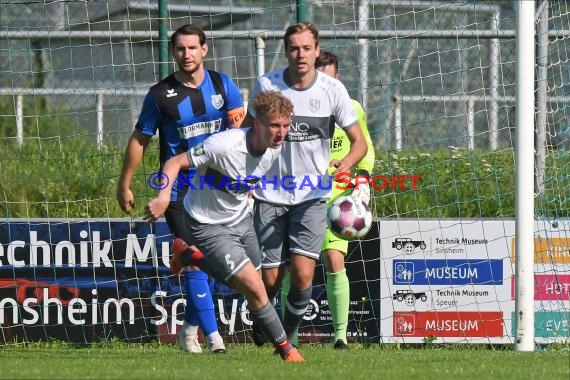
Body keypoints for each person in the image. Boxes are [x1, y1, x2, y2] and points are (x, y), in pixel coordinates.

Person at [143, 91, 304, 362]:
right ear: (258, 123)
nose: (281, 132)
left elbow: (247, 179)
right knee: (252, 286)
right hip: (206, 223)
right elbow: (174, 162)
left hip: (240, 219)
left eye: (286, 126)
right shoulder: (223, 145)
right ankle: (287, 350)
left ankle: (188, 256)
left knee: (259, 283)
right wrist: (162, 196)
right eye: (275, 125)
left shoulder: (275, 150)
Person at [116, 24, 245, 354]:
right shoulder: (160, 95)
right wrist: (125, 183)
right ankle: (215, 340)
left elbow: (239, 134)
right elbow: (140, 139)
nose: (186, 54)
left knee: (214, 261)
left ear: (204, 50)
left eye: (192, 48)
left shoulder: (223, 85)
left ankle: (189, 329)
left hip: (218, 186)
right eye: (180, 49)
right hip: (176, 189)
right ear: (173, 52)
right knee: (192, 257)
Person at [242, 22, 368, 346]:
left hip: (313, 195)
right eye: (294, 48)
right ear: (286, 51)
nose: (300, 54)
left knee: (302, 275)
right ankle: (266, 321)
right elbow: (244, 135)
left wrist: (346, 164)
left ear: (316, 50)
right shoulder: (266, 86)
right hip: (270, 193)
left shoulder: (332, 90)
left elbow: (360, 143)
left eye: (306, 48)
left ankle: (284, 335)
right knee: (270, 279)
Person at [280, 51, 376, 349]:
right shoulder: (295, 107)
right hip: (301, 195)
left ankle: (340, 336)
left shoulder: (352, 108)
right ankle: (289, 336)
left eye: (329, 77)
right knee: (293, 267)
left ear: (337, 79)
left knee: (334, 261)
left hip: (338, 200)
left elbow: (366, 149)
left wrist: (360, 175)